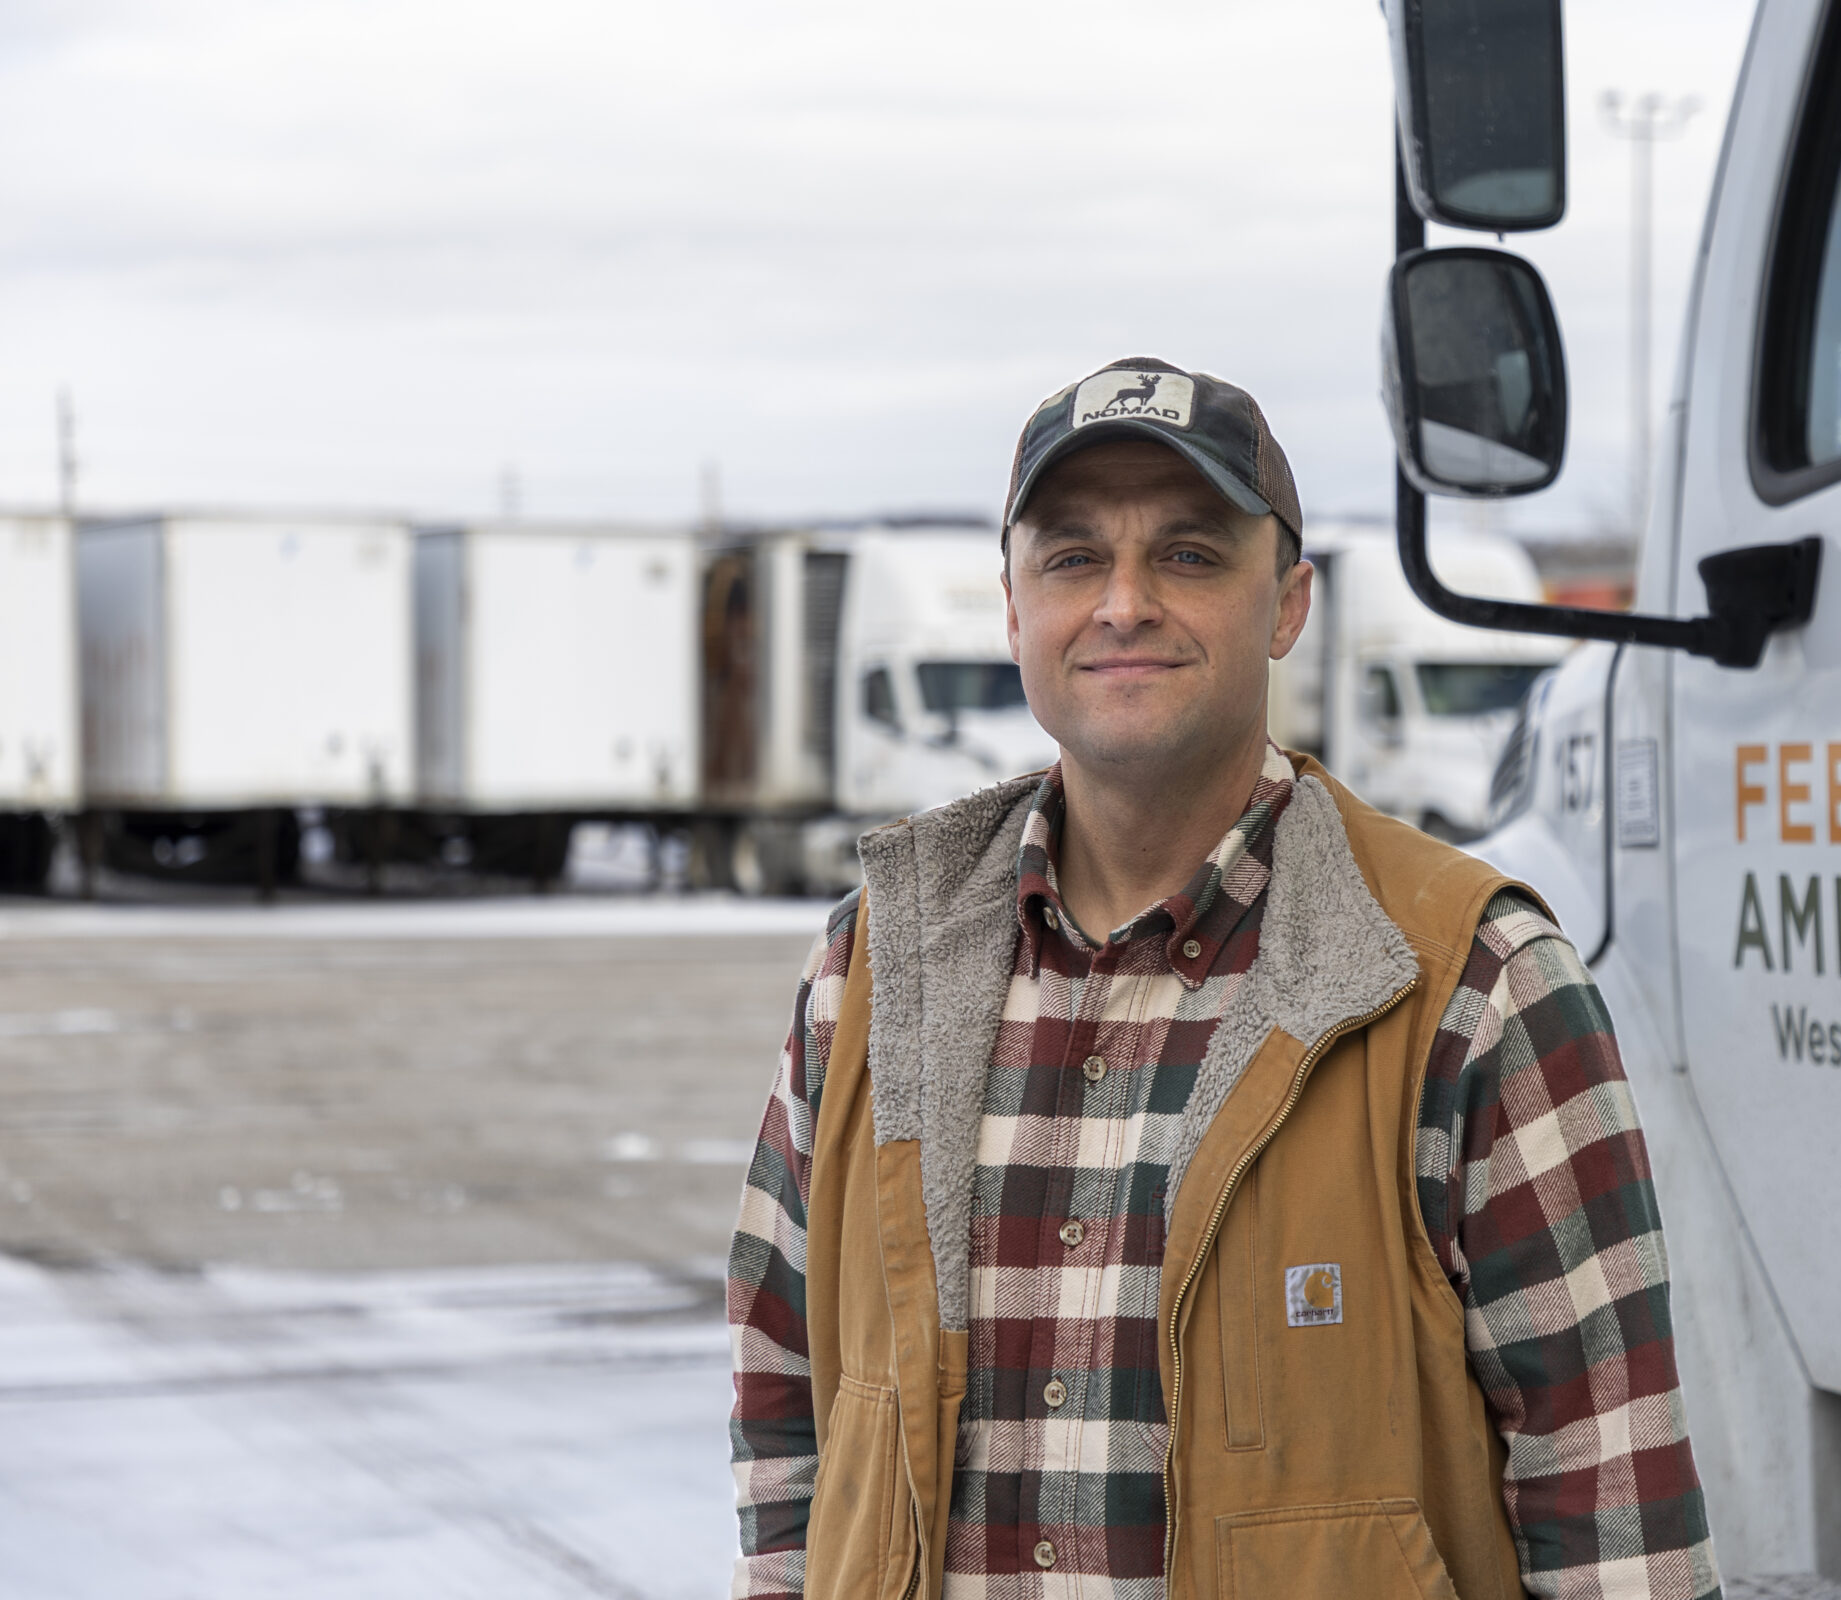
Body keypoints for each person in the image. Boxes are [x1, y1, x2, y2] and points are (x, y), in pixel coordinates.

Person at [726, 357, 1719, 1600]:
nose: (1125, 603)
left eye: (1190, 554)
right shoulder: (871, 969)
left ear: (1288, 604)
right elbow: (782, 1409)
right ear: (1013, 605)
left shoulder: (1475, 981)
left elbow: (1613, 1496)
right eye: (1073, 557)